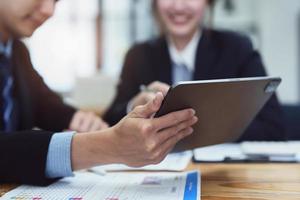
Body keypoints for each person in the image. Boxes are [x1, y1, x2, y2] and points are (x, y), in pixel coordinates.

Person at [0, 0, 198, 185]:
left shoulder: (17, 51)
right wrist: (105, 146)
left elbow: (45, 105)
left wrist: (81, 120)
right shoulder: (141, 54)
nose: (49, 10)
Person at [104, 0, 285, 141]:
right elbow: (108, 123)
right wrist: (133, 106)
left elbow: (274, 127)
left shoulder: (237, 49)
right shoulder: (138, 56)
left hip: (220, 172)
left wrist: (203, 127)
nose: (179, 6)